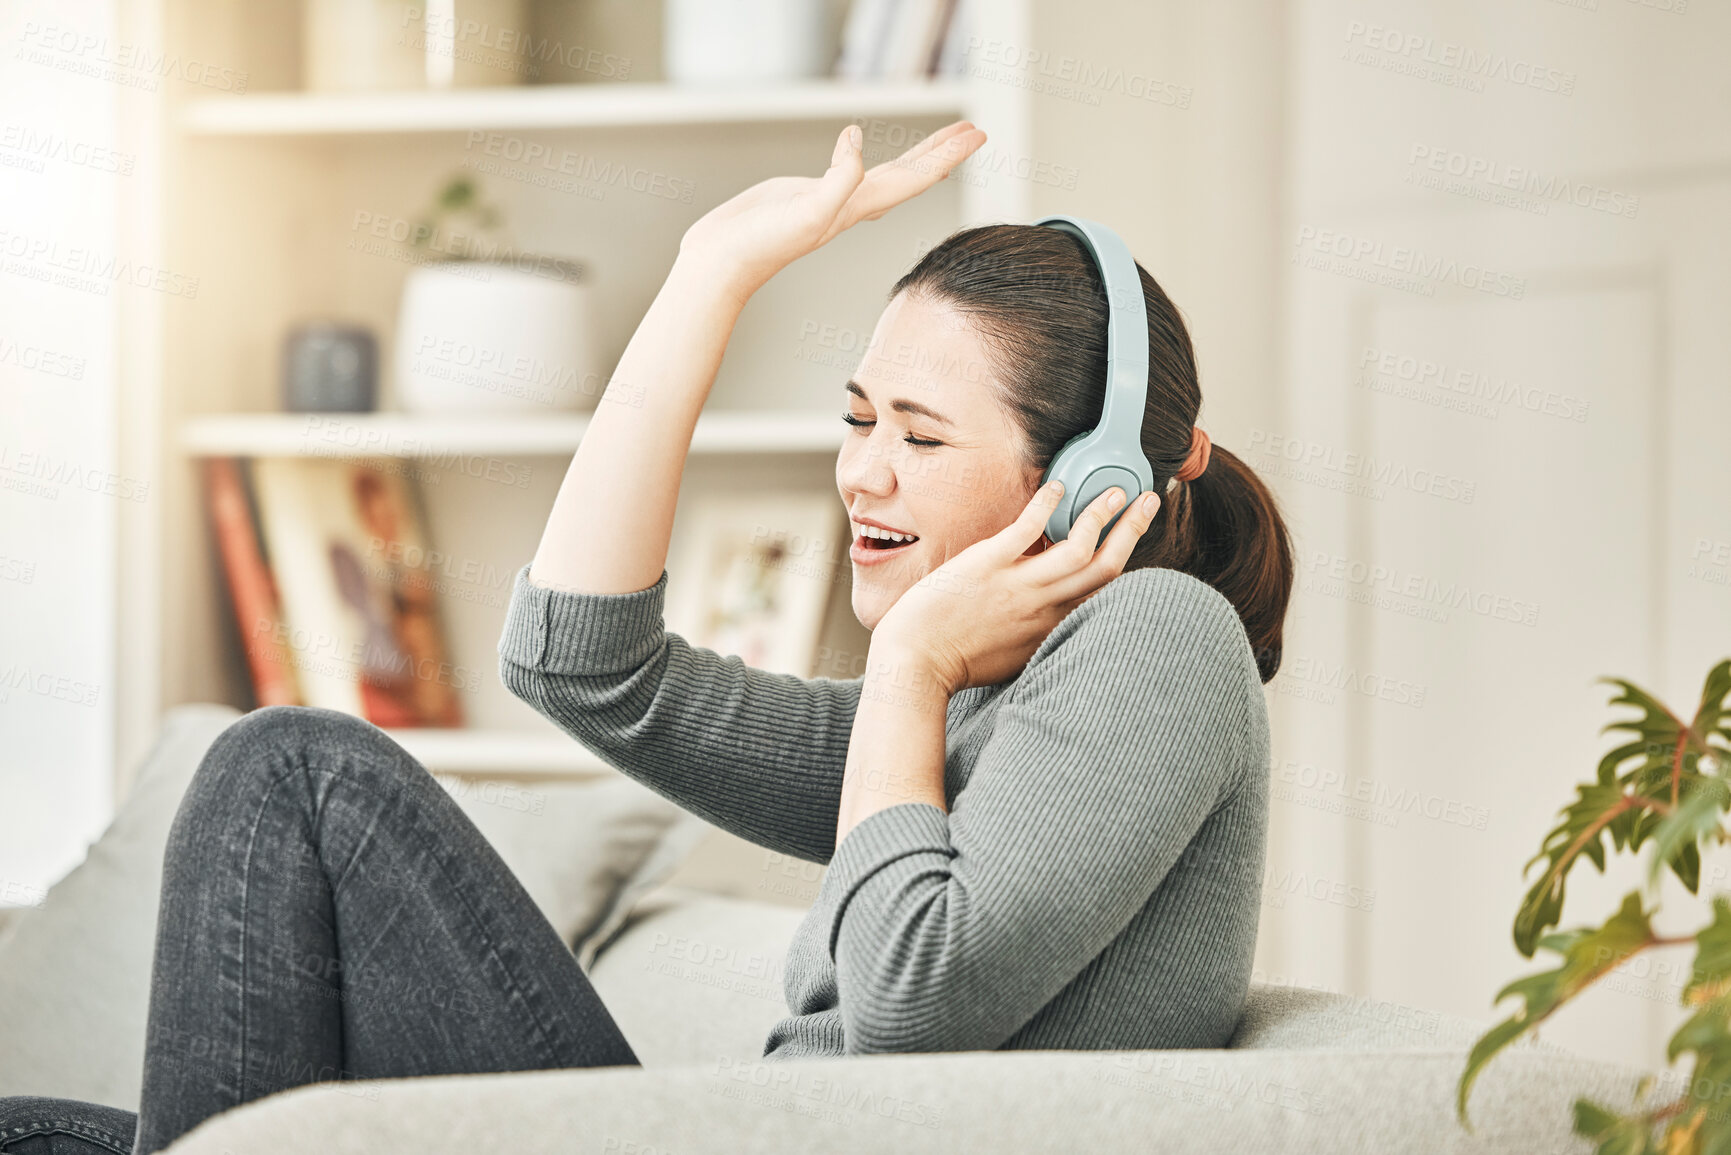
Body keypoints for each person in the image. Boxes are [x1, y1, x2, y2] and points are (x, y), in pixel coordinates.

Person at [0, 119, 1292, 1153]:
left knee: (293, 771)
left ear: (1099, 480)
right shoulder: (960, 713)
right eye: (858, 420)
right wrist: (708, 275)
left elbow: (912, 1005)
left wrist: (907, 665)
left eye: (923, 434)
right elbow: (580, 662)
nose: (864, 475)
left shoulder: (1156, 637)